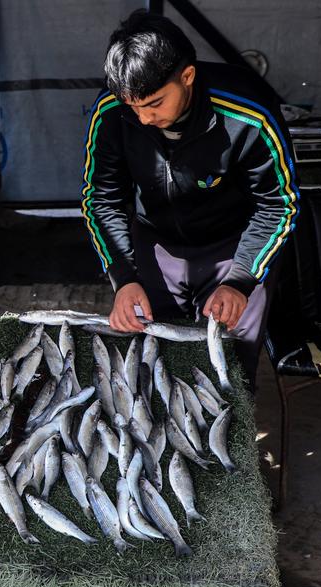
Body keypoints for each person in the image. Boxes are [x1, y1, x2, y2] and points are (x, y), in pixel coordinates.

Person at [81, 10, 299, 387]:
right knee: (153, 364)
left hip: (235, 248)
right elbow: (101, 199)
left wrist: (241, 280)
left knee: (228, 368)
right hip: (156, 245)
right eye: (134, 106)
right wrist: (124, 277)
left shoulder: (249, 114)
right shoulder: (112, 111)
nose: (144, 118)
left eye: (154, 104)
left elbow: (278, 204)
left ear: (187, 77)